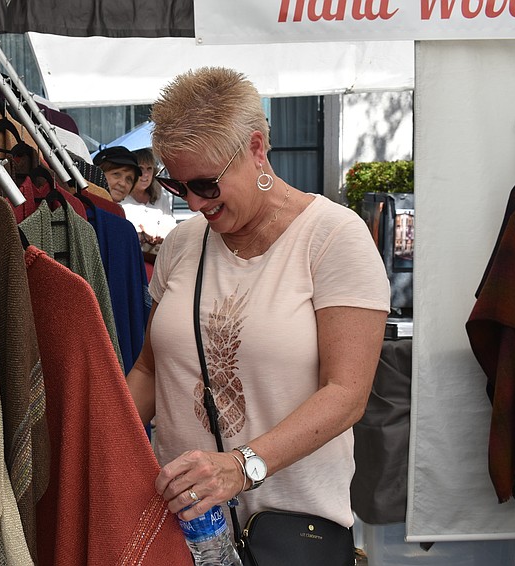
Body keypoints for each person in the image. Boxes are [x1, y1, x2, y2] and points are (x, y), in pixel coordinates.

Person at [125, 66, 390, 533]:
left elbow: (347, 394)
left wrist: (241, 465)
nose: (193, 202)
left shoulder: (333, 237)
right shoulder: (183, 243)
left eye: (206, 184)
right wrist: (106, 440)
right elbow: (150, 368)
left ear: (255, 148)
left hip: (288, 527)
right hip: (181, 526)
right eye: (176, 185)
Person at [121, 148, 177, 258]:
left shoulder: (161, 197)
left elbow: (170, 224)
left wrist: (163, 231)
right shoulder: (122, 199)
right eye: (140, 168)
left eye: (149, 169)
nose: (145, 174)